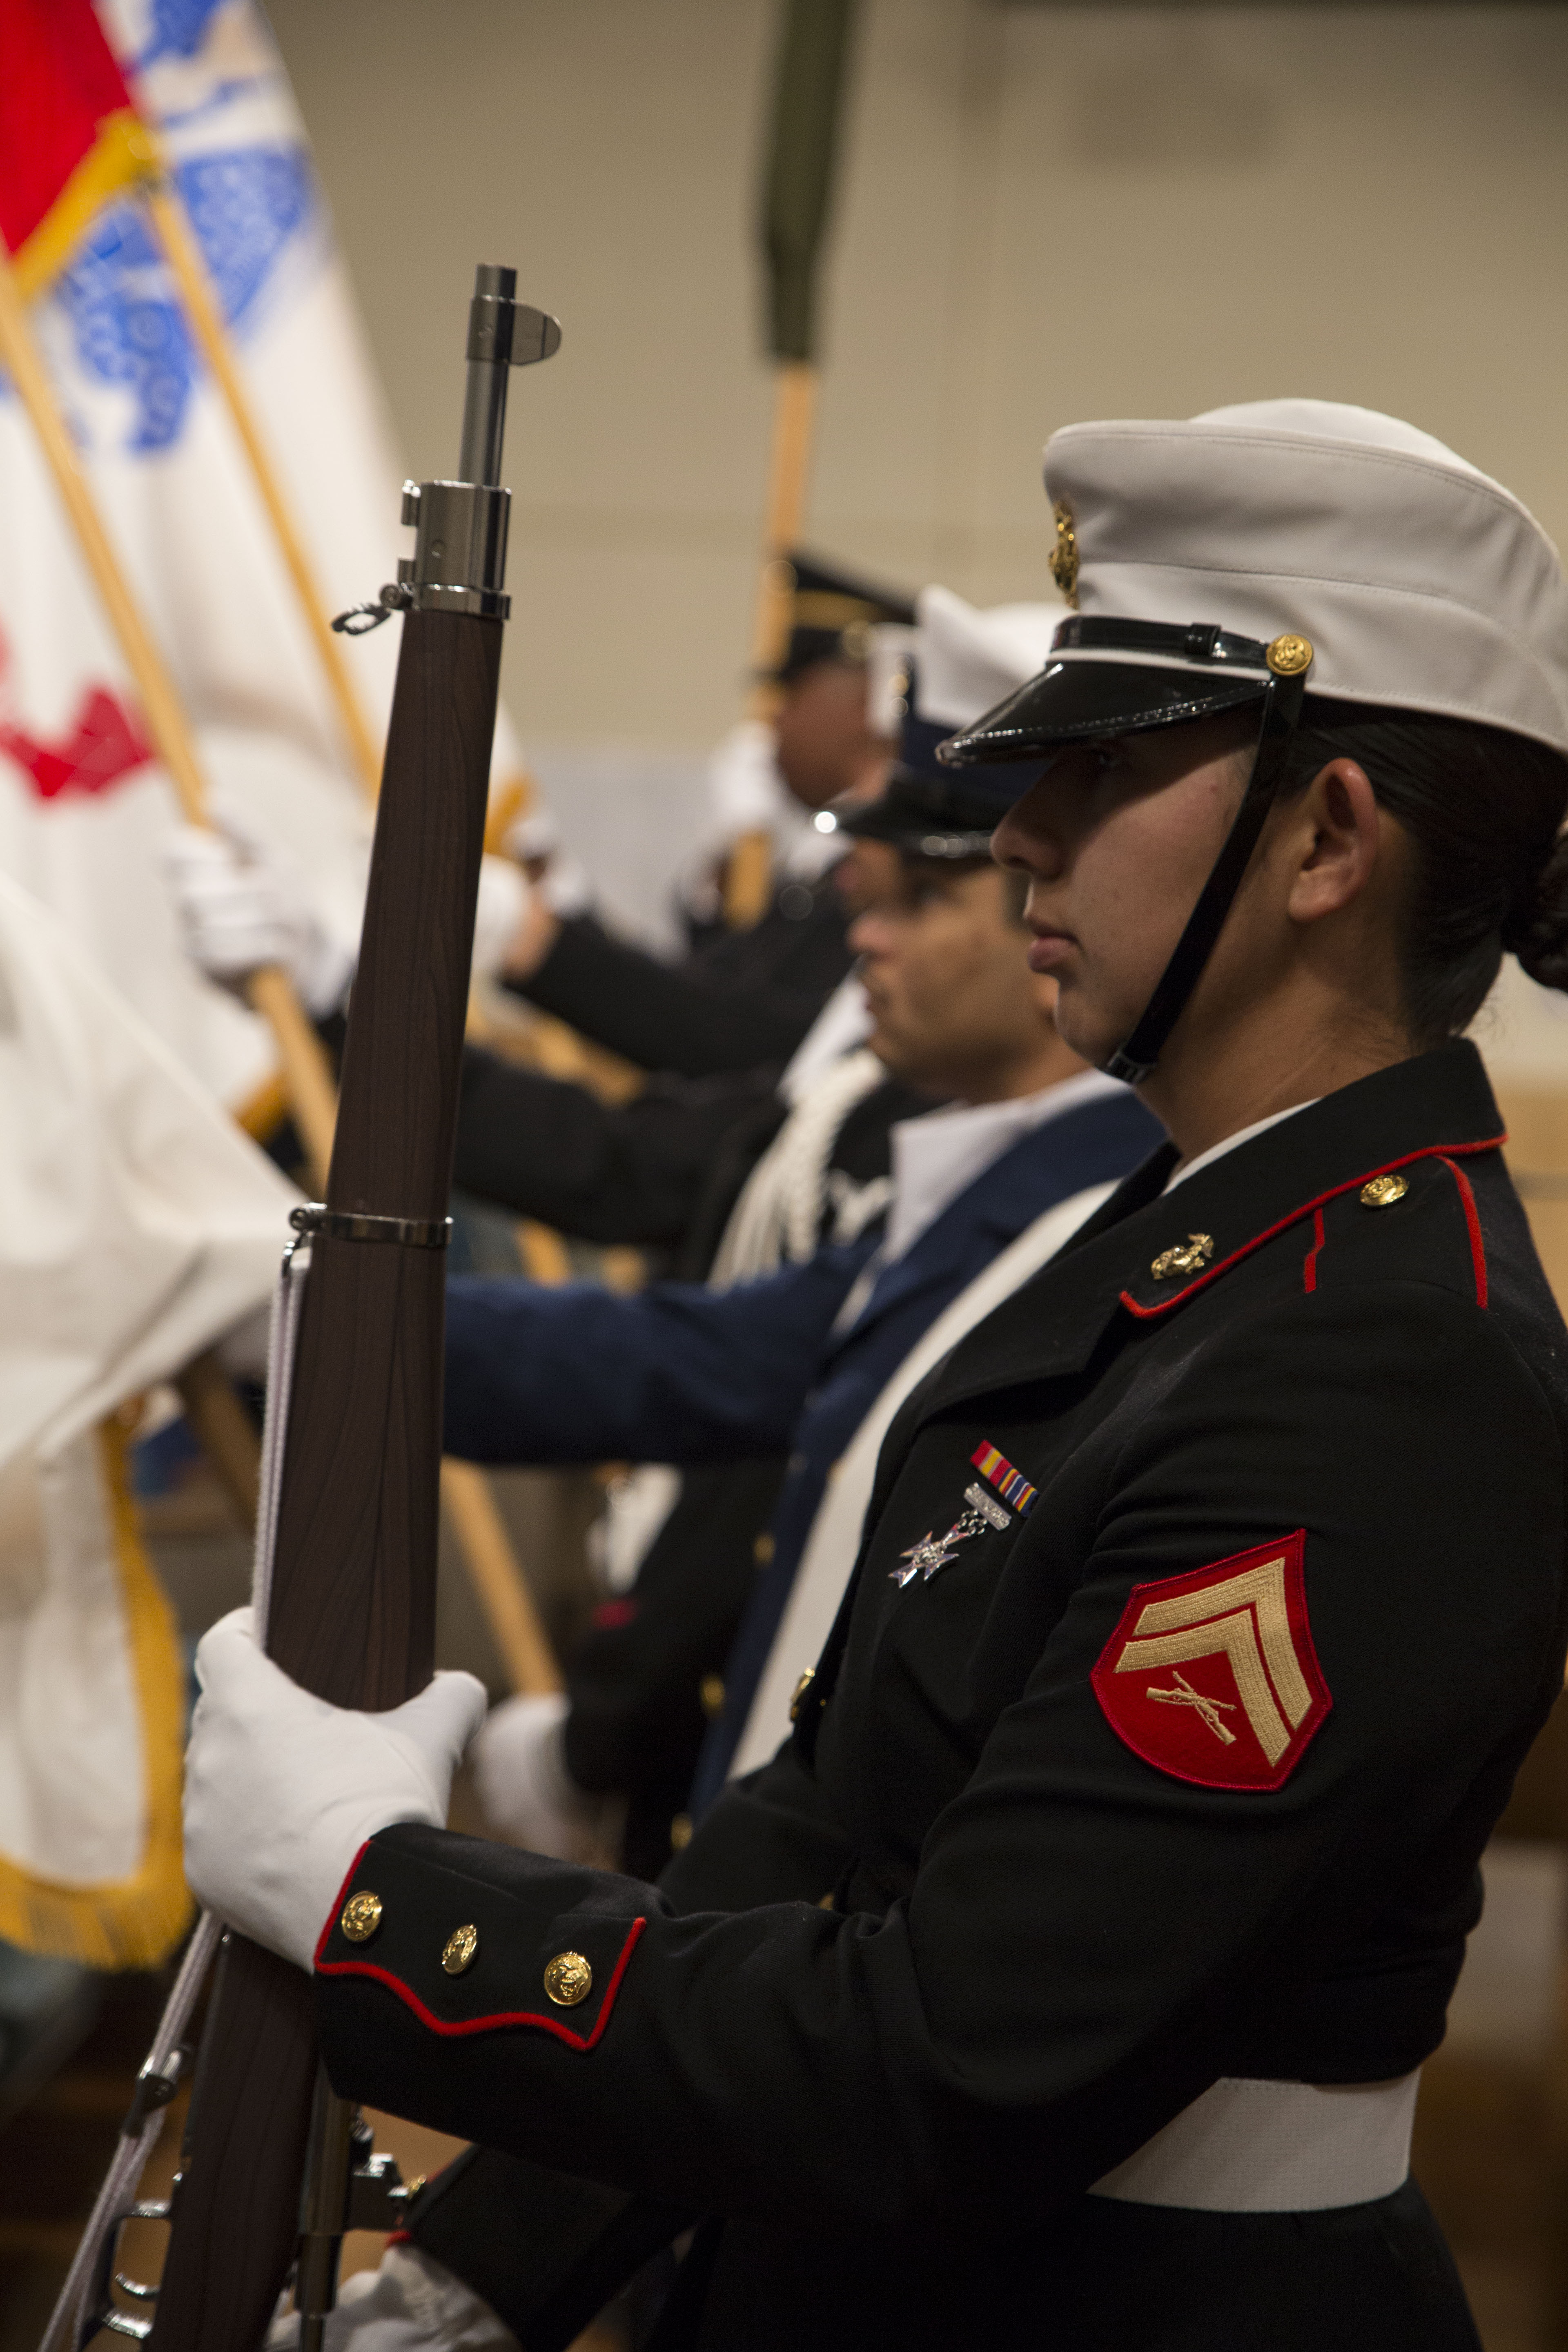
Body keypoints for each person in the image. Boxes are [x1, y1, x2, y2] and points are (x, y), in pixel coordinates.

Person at [187, 399, 1568, 2352]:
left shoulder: (1383, 1366)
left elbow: (941, 2059)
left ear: (1327, 838)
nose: (1016, 829)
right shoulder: (1199, 1232)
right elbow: (839, 1818)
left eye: (1097, 769)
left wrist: (378, 1892)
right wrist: (501, 2258)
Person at [463, 745, 1156, 1878]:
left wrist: (605, 1726)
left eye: (925, 898)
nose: (865, 937)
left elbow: (730, 1397)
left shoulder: (1095, 1208)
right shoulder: (941, 1144)